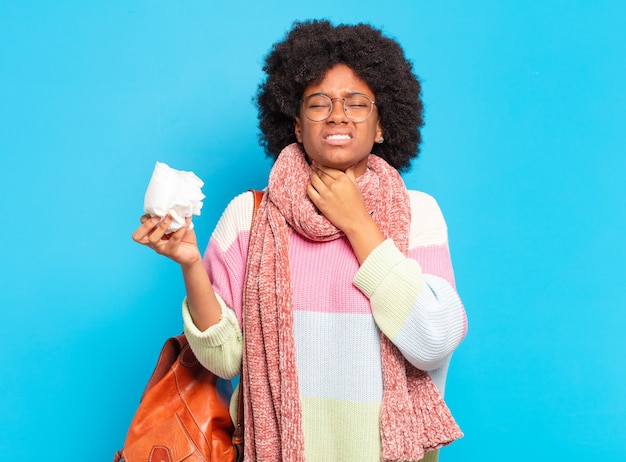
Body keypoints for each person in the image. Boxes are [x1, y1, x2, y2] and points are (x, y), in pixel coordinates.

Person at [132, 19, 467, 462]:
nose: (338, 115)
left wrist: (358, 223)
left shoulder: (417, 213)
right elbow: (225, 360)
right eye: (319, 102)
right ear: (295, 124)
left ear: (382, 125)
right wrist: (191, 264)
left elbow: (433, 342)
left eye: (356, 103)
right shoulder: (248, 217)